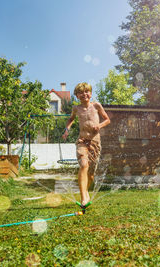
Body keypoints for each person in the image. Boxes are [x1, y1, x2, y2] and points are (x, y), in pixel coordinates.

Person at [62, 82, 110, 210]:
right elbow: (71, 119)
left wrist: (99, 126)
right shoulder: (76, 108)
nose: (84, 94)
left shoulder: (96, 106)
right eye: (81, 93)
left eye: (86, 91)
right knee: (84, 165)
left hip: (95, 142)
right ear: (77, 96)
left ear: (90, 93)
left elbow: (107, 119)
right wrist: (67, 129)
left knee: (91, 174)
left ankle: (86, 192)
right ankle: (83, 197)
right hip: (82, 141)